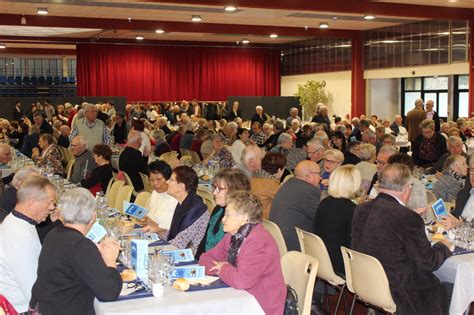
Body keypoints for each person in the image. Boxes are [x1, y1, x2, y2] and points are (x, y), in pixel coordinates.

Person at [351, 163, 452, 315]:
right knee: (450, 286)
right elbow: (428, 262)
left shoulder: (361, 208)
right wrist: (443, 245)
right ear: (407, 188)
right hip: (400, 290)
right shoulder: (406, 217)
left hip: (368, 282)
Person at [30, 188, 122, 314]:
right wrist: (110, 261)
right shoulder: (80, 245)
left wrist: (94, 252)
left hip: (43, 307)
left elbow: (72, 261)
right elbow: (109, 292)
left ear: (62, 215)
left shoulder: (54, 234)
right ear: (93, 217)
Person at [199, 191, 286, 315]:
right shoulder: (233, 235)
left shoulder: (258, 242)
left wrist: (223, 268)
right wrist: (225, 271)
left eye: (228, 215)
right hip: (239, 297)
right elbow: (205, 258)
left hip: (260, 305)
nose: (223, 220)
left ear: (244, 218)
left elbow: (241, 281)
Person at [0, 177, 56, 313]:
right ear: (32, 203)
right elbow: (35, 293)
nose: (52, 207)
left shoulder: (14, 220)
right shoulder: (21, 236)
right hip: (20, 308)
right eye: (50, 202)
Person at [314, 165, 361, 276]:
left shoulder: (324, 203)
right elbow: (353, 244)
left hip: (322, 258)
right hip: (340, 264)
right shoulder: (352, 209)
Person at [196, 169, 250, 258]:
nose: (214, 193)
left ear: (235, 190)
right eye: (214, 188)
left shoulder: (240, 218)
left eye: (219, 189)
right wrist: (197, 262)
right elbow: (204, 241)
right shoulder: (218, 209)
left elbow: (232, 257)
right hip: (207, 262)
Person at [269, 160, 321, 251]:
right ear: (309, 176)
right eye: (319, 174)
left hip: (278, 238)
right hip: (293, 243)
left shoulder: (288, 184)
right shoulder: (309, 190)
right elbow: (320, 217)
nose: (320, 178)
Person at [166, 166, 210, 253]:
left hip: (191, 258)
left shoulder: (194, 210)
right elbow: (178, 235)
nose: (167, 182)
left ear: (181, 186)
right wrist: (159, 230)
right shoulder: (184, 203)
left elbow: (179, 244)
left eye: (171, 180)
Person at [141, 161, 178, 233]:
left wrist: (157, 226)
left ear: (168, 179)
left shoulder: (175, 198)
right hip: (152, 232)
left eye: (159, 179)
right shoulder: (155, 193)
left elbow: (174, 228)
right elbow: (153, 213)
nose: (155, 184)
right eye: (152, 180)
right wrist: (145, 219)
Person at [251, 152, 285, 219]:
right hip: (264, 220)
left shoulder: (254, 178)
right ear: (279, 170)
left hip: (253, 215)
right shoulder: (271, 184)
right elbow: (285, 201)